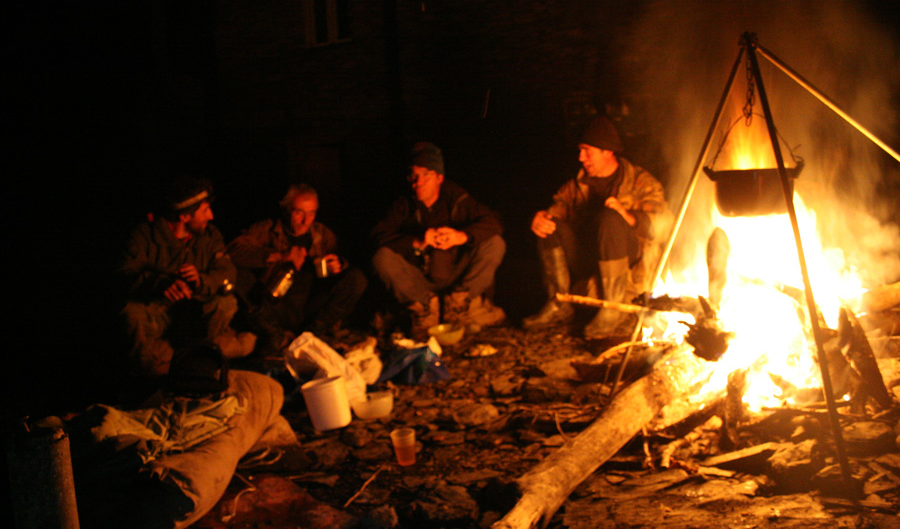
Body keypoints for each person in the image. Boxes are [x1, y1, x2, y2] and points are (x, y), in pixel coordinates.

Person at [524, 116, 671, 339]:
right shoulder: (579, 184)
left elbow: (665, 224)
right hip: (588, 260)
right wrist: (540, 219)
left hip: (630, 268)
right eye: (580, 150)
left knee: (610, 219)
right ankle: (558, 302)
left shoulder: (640, 182)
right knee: (549, 225)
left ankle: (612, 309)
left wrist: (628, 217)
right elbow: (558, 208)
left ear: (607, 151)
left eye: (586, 150)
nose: (581, 157)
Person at [120, 175, 255, 376]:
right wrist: (162, 283)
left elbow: (227, 271)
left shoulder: (210, 236)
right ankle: (147, 373)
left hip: (196, 309)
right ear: (184, 216)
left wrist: (201, 281)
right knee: (132, 312)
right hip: (161, 310)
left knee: (227, 302)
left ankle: (202, 357)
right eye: (204, 210)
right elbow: (124, 274)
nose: (211, 216)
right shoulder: (144, 236)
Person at [371, 141, 506, 339]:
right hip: (420, 284)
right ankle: (424, 310)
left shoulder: (457, 199)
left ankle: (459, 306)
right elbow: (378, 235)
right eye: (414, 176)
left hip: (456, 280)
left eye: (426, 175)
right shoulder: (405, 203)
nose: (419, 182)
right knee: (381, 257)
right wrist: (416, 241)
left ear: (439, 177)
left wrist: (461, 237)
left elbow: (494, 222)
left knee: (495, 243)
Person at [228, 184, 367, 352]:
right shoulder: (267, 230)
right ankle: (275, 335)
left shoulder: (322, 234)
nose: (305, 220)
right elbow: (234, 251)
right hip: (272, 307)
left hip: (308, 308)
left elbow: (342, 266)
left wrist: (337, 266)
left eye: (311, 213)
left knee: (356, 278)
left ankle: (312, 335)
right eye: (299, 212)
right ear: (287, 210)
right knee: (235, 274)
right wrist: (281, 256)